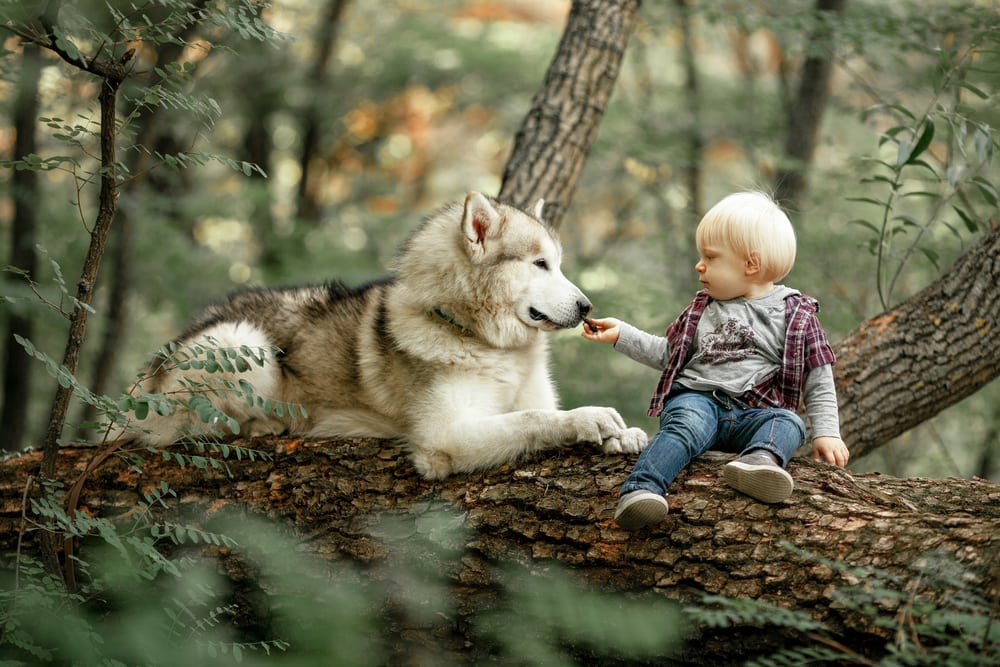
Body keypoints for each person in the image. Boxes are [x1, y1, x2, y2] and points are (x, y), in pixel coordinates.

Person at [582, 191, 850, 531]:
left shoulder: (796, 314)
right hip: (700, 401)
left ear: (750, 264)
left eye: (710, 257)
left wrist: (827, 432)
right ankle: (642, 490)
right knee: (684, 428)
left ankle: (758, 461)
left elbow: (819, 378)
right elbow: (669, 354)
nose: (699, 265)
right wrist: (622, 334)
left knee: (789, 424)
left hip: (755, 412)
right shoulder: (703, 309)